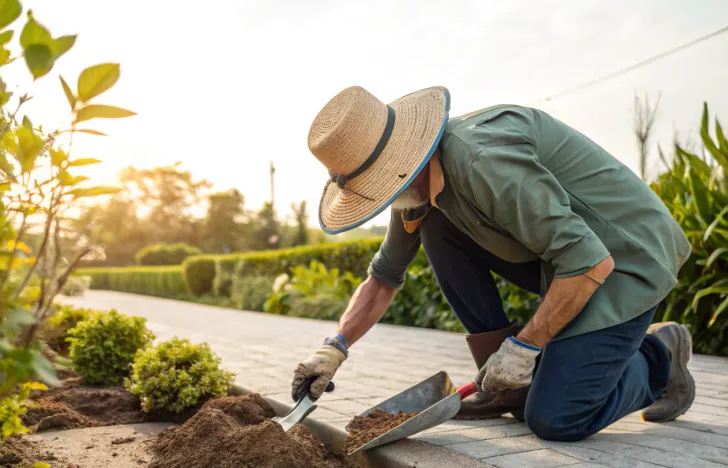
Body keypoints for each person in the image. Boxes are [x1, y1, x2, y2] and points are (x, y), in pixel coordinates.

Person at [291, 85, 694, 442]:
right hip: (564, 259)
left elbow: (588, 261)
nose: (383, 198)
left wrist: (525, 347)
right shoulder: (414, 189)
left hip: (623, 256)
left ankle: (660, 354)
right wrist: (333, 349)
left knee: (557, 418)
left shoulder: (482, 162)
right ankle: (511, 388)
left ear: (399, 164)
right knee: (437, 230)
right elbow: (383, 278)